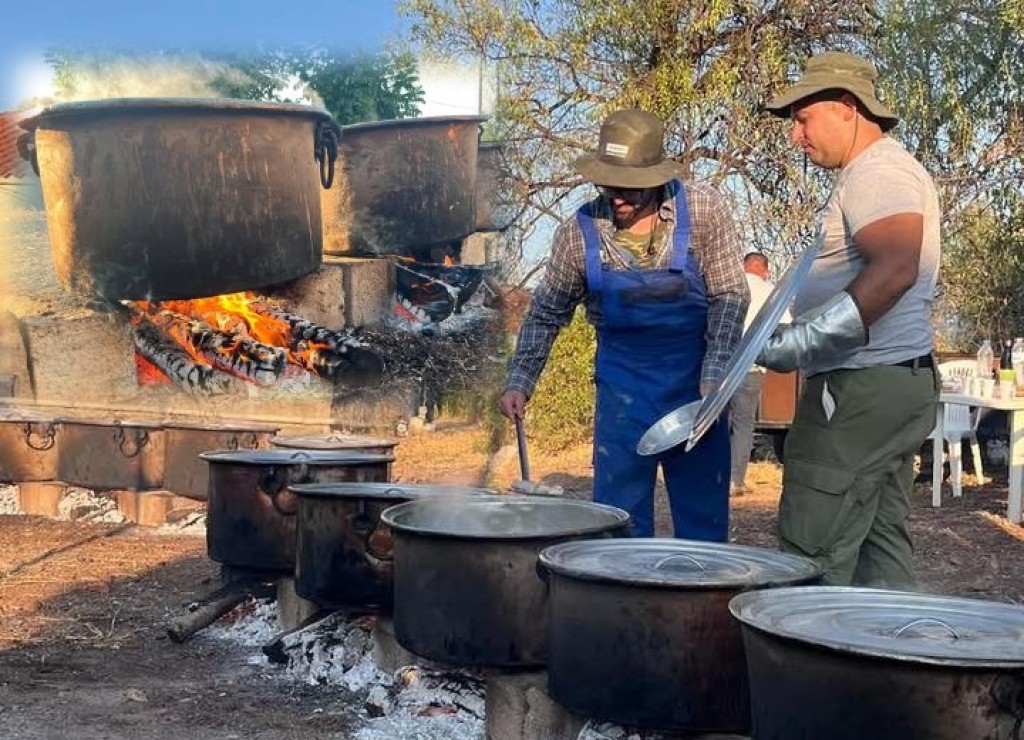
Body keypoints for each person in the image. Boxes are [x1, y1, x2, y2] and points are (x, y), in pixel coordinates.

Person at [498, 109, 749, 540]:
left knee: (703, 521)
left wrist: (714, 375)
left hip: (696, 392)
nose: (618, 196)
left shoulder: (705, 209)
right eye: (609, 183)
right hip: (622, 394)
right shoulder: (578, 233)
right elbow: (545, 313)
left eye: (631, 187)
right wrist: (520, 380)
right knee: (619, 524)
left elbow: (730, 295)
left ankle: (702, 603)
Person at [757, 51, 940, 587]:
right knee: (878, 550)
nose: (796, 135)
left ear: (845, 107)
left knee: (811, 547)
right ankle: (890, 666)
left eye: (803, 118)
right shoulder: (884, 171)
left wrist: (802, 343)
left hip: (858, 388)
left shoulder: (877, 172)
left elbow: (896, 268)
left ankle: (808, 669)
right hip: (889, 382)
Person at [729, 252, 789, 496]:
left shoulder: (730, 284)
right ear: (765, 270)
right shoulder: (772, 292)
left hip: (719, 363)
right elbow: (785, 328)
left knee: (714, 420)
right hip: (751, 365)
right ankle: (735, 480)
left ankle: (711, 476)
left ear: (744, 267)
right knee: (743, 424)